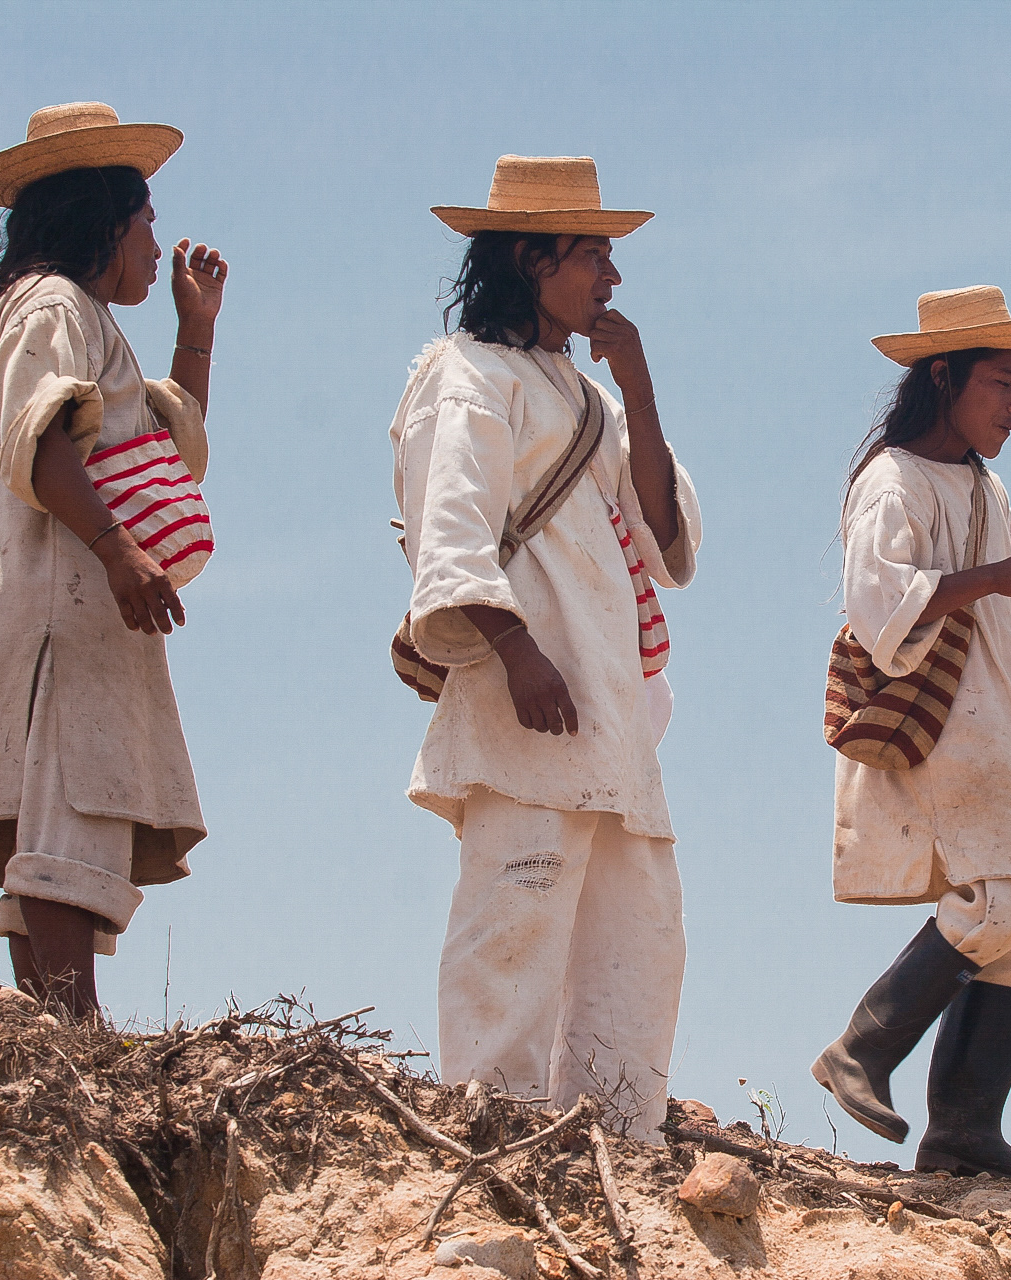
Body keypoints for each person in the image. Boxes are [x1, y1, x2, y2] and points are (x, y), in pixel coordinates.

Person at [390, 155, 701, 1141]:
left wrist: (640, 386)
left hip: (607, 714)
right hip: (527, 698)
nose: (611, 278)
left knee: (639, 933)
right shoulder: (463, 374)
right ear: (533, 259)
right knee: (512, 925)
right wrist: (518, 650)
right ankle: (492, 1127)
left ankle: (616, 1135)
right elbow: (451, 529)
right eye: (594, 256)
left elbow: (662, 532)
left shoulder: (589, 396)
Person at [0, 103, 229, 1018]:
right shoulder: (52, 304)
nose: (156, 244)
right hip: (60, 607)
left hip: (85, 603)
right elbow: (45, 439)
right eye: (145, 223)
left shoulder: (84, 318)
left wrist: (197, 328)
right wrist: (116, 553)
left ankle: (60, 1032)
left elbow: (160, 449)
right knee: (67, 811)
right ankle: (75, 1030)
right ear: (103, 220)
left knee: (68, 815)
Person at [813, 287, 1011, 1182]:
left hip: (1001, 731)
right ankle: (862, 1047)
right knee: (996, 902)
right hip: (942, 735)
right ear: (945, 379)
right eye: (1001, 385)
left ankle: (963, 1133)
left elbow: (999, 622)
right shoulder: (890, 482)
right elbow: (878, 610)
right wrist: (996, 576)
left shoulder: (986, 485)